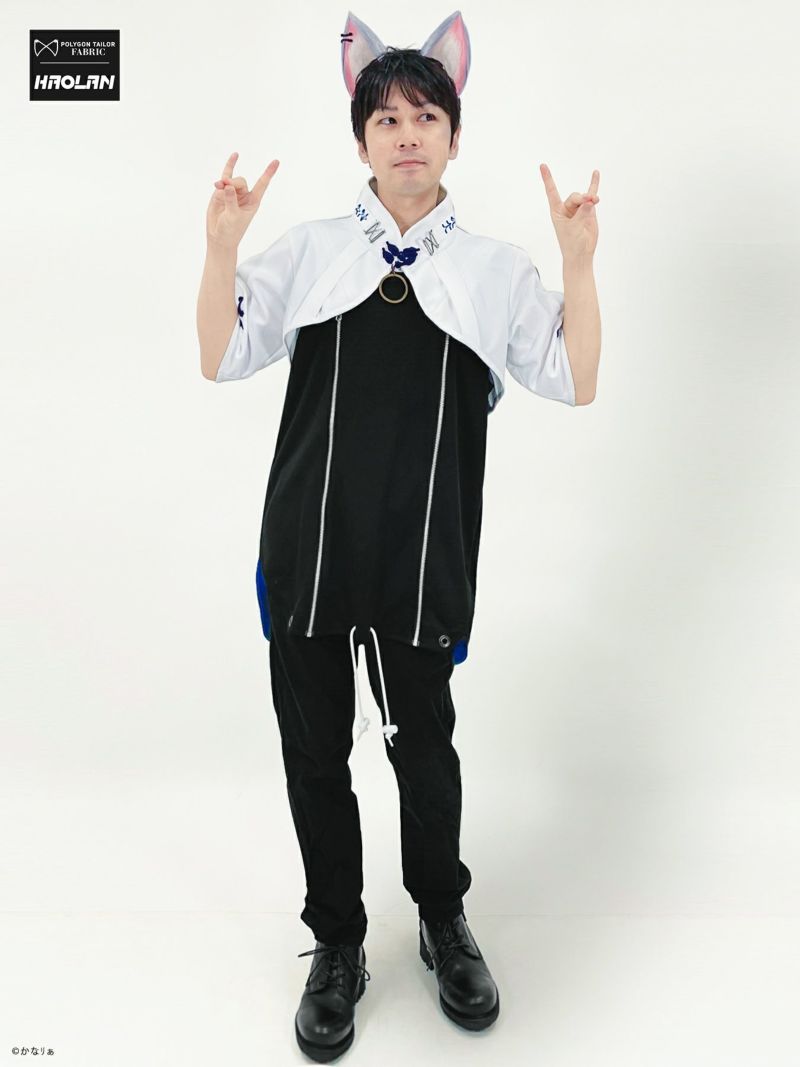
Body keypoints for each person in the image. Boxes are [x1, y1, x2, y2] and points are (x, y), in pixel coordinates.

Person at [197, 9, 601, 1060]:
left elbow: (576, 378)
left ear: (454, 137)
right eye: (387, 118)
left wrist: (576, 265)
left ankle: (441, 918)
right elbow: (220, 353)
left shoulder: (493, 270)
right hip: (310, 552)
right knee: (313, 755)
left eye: (426, 116)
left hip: (424, 558)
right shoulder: (311, 251)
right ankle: (336, 943)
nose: (407, 134)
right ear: (361, 138)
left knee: (425, 749)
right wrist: (223, 249)